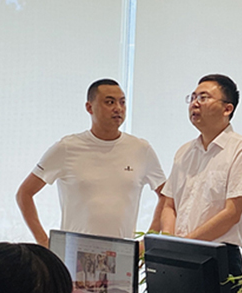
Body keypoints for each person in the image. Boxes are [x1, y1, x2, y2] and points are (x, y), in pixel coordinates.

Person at [161, 74, 242, 293]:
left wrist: (184, 246)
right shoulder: (184, 152)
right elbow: (169, 204)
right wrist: (169, 244)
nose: (195, 103)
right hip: (180, 258)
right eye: (192, 97)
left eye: (203, 97)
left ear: (227, 108)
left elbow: (232, 213)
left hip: (218, 260)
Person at [16, 79, 166, 246]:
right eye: (110, 102)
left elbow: (166, 195)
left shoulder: (141, 149)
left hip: (122, 254)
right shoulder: (66, 148)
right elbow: (24, 193)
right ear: (89, 107)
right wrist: (43, 242)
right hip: (74, 253)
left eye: (122, 102)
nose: (118, 108)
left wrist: (148, 241)